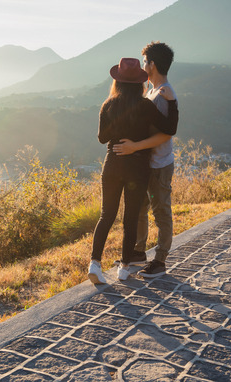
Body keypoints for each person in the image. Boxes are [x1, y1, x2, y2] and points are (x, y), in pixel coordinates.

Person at [88, 57, 178, 285]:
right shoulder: (146, 105)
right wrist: (173, 103)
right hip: (137, 167)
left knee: (106, 215)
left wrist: (117, 126)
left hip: (113, 162)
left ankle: (95, 264)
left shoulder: (108, 104)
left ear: (117, 81)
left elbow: (101, 138)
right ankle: (125, 267)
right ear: (140, 82)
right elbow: (170, 128)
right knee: (130, 217)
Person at [112, 41, 176, 278]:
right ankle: (139, 251)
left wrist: (135, 147)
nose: (143, 65)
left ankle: (160, 261)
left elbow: (165, 134)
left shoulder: (164, 94)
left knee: (161, 211)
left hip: (160, 164)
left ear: (153, 65)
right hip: (146, 164)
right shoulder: (151, 90)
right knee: (140, 207)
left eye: (146, 61)